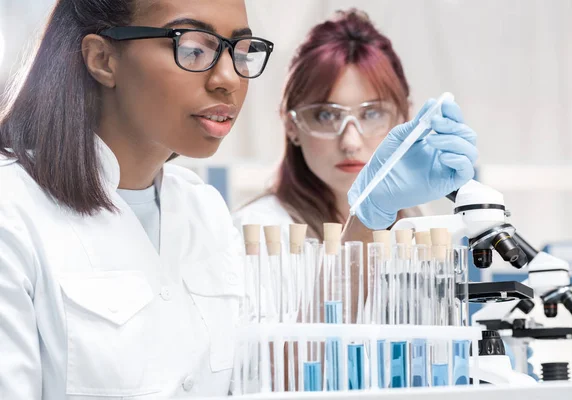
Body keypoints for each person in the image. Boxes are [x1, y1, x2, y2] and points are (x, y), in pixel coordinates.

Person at [0, 0, 477, 398]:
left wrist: (370, 213)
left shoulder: (201, 211)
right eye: (193, 47)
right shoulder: (14, 212)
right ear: (103, 59)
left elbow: (277, 378)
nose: (228, 78)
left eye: (241, 50)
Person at [234, 10, 425, 242]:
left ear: (403, 118)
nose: (350, 143)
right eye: (326, 115)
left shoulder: (415, 222)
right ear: (291, 124)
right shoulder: (257, 232)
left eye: (371, 113)